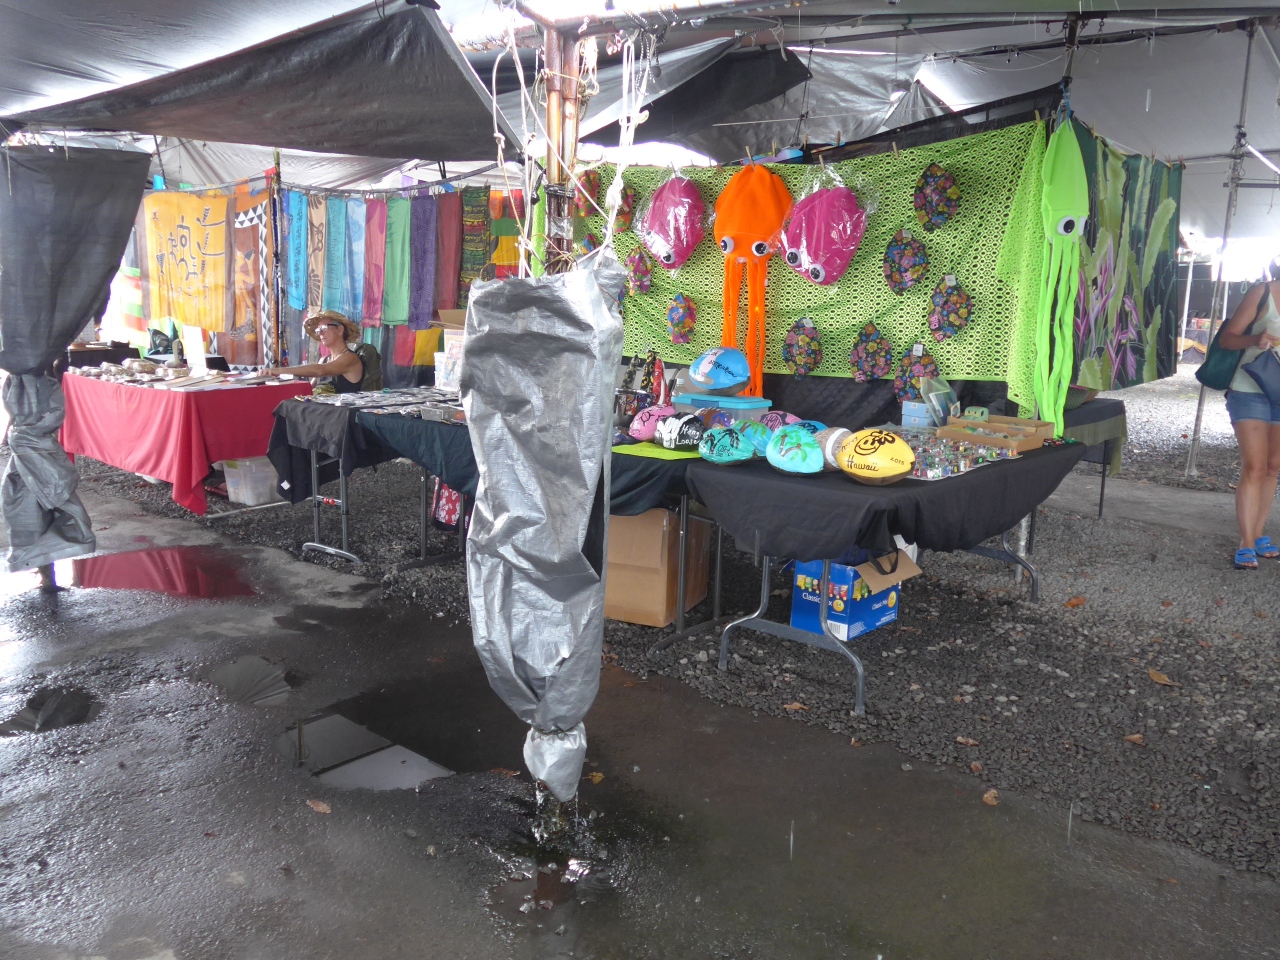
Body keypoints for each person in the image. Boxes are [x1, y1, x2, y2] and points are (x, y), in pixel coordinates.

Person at [1218, 274, 1280, 569]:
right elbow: (1227, 339)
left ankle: (1256, 534)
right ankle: (1245, 542)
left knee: (1272, 465)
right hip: (1249, 388)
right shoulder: (1262, 292)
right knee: (1255, 465)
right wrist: (1256, 339)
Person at [265, 311, 365, 394]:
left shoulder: (349, 358)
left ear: (340, 330)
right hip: (317, 408)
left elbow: (320, 371)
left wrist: (278, 371)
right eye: (318, 330)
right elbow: (309, 389)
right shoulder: (324, 360)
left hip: (339, 411)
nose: (320, 333)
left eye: (324, 328)